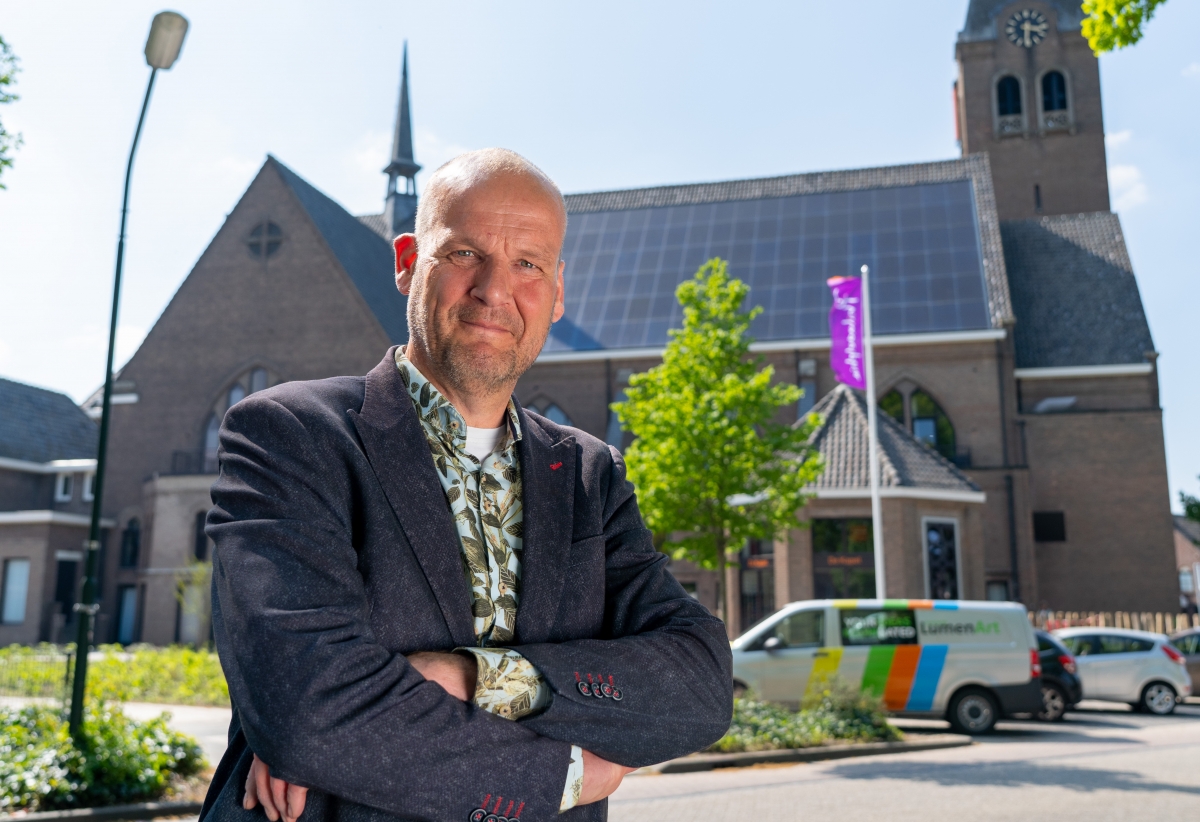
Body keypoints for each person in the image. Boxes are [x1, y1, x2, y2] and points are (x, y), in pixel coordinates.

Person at [199, 148, 733, 822]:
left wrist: (472, 677)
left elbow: (700, 683)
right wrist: (566, 775)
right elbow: (308, 708)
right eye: (463, 253)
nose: (494, 289)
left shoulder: (590, 475)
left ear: (558, 294)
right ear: (406, 262)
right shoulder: (291, 435)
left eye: (528, 264)